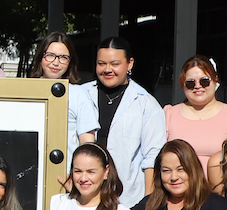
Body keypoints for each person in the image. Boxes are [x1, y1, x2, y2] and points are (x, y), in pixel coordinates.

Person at [67, 37, 166, 196]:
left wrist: (148, 201)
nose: (107, 69)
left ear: (130, 63)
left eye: (115, 64)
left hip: (127, 197)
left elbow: (152, 157)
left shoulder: (146, 104)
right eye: (101, 63)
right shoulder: (81, 94)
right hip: (82, 191)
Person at [164, 55, 227, 176]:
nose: (197, 86)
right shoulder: (169, 114)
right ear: (182, 84)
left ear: (215, 80)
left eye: (204, 81)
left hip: (220, 186)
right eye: (190, 83)